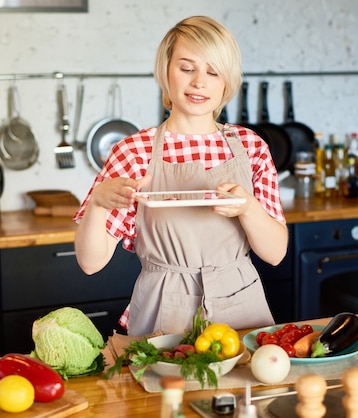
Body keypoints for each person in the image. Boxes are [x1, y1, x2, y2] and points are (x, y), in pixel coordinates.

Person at [73, 16, 288, 336]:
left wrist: (248, 208)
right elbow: (90, 263)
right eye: (187, 68)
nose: (199, 81)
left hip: (241, 306)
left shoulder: (250, 146)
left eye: (213, 72)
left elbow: (275, 253)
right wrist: (98, 204)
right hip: (163, 310)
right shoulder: (134, 152)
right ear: (166, 72)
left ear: (226, 82)